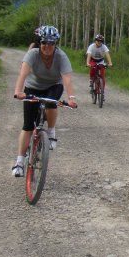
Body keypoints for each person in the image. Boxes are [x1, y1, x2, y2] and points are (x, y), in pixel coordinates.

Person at [12, 25, 78, 177]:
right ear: (39, 43)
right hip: (32, 87)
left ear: (56, 44)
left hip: (53, 86)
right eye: (44, 43)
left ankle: (51, 132)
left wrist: (71, 98)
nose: (47, 46)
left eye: (51, 43)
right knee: (28, 126)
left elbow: (67, 79)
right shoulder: (32, 54)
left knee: (51, 102)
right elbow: (23, 74)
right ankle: (19, 162)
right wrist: (18, 92)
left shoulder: (61, 56)